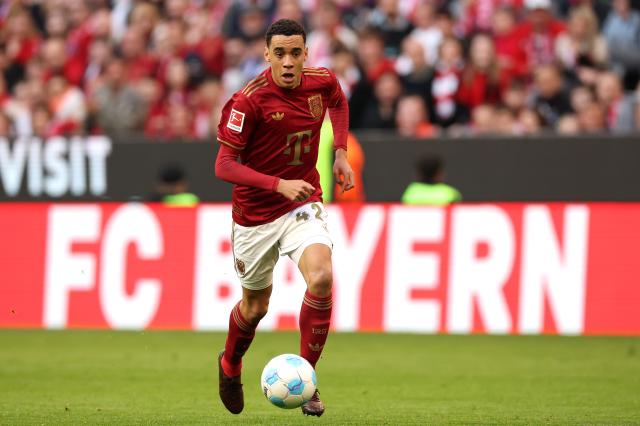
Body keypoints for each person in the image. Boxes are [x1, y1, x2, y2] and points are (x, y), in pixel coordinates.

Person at [213, 19, 354, 417]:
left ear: (306, 53)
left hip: (302, 203)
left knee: (322, 278)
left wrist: (340, 152)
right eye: (280, 54)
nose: (288, 62)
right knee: (255, 307)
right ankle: (229, 364)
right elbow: (223, 165)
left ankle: (307, 380)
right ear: (266, 55)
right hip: (256, 215)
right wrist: (277, 185)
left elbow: (339, 102)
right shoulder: (248, 100)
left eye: (295, 53)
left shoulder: (321, 81)